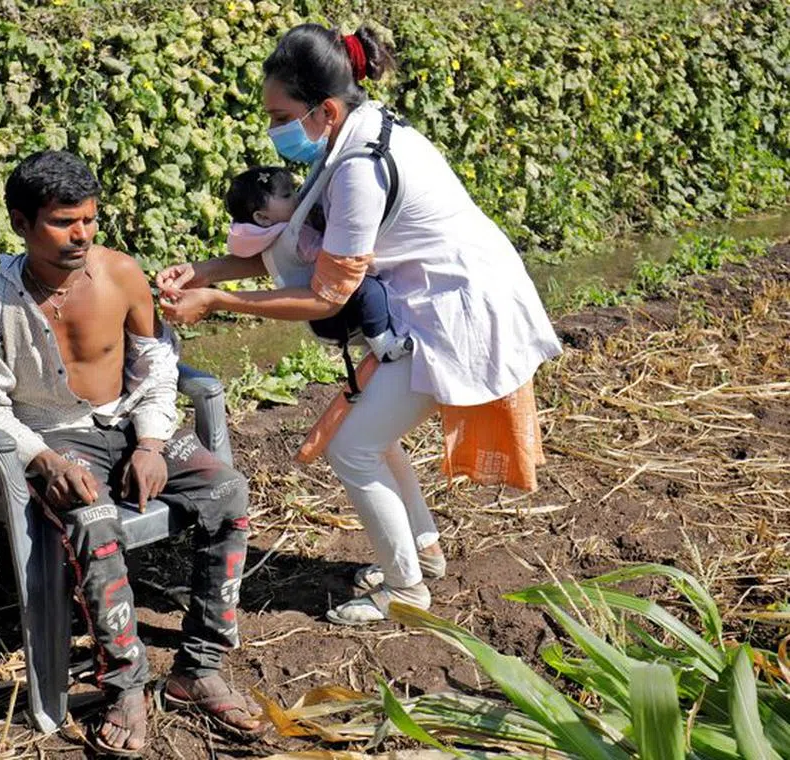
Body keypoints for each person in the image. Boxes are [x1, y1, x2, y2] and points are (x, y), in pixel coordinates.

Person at [158, 25, 562, 626]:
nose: (273, 130)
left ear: (323, 108)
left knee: (353, 448)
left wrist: (217, 301)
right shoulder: (354, 134)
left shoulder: (358, 168)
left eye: (280, 115)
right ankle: (422, 552)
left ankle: (406, 592)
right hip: (429, 305)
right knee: (373, 435)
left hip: (460, 316)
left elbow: (325, 294)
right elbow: (299, 244)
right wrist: (206, 271)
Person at [0, 150, 263, 755]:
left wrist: (152, 441)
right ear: (21, 222)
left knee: (228, 489)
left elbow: (156, 364)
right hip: (56, 438)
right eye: (63, 222)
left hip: (129, 422)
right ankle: (125, 683)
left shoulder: (121, 274)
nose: (81, 235)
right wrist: (41, 459)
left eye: (90, 221)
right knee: (94, 522)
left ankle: (197, 668)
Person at [225, 166, 412, 362]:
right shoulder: (294, 238)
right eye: (287, 195)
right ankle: (385, 346)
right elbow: (331, 255)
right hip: (330, 311)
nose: (296, 197)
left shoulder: (275, 234)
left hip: (321, 314)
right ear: (262, 217)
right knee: (370, 291)